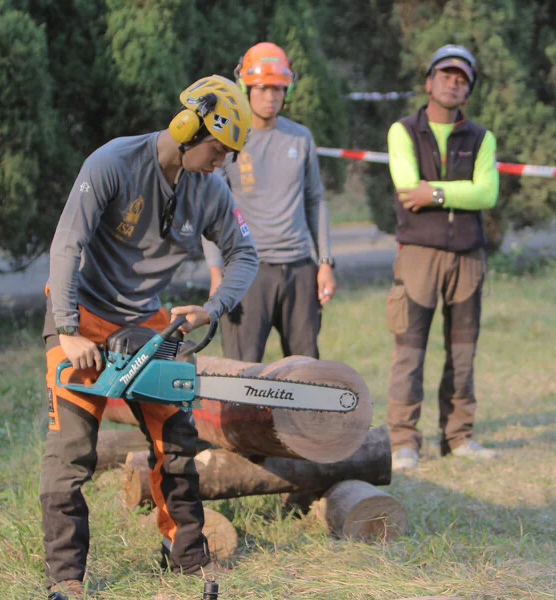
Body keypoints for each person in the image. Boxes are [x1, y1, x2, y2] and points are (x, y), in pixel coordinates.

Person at [41, 75, 257, 599]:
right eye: (217, 150)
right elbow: (67, 245)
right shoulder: (112, 164)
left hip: (148, 325)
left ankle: (185, 559)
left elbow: (243, 255)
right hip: (83, 317)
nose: (221, 163)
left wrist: (212, 308)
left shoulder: (209, 188)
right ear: (188, 129)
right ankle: (67, 578)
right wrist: (68, 330)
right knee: (70, 456)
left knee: (176, 446)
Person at [384, 44, 500, 471]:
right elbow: (405, 187)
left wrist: (434, 192)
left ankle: (458, 437)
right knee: (409, 350)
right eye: (446, 74)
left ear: (468, 90)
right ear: (428, 82)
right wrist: (454, 192)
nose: (453, 82)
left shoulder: (482, 137)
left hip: (468, 256)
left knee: (463, 353)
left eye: (462, 77)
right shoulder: (403, 131)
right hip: (418, 254)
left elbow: (487, 193)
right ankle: (402, 441)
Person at [203, 42, 335, 362]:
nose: (270, 97)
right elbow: (211, 211)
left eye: (278, 89)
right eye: (261, 88)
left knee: (305, 371)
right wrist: (216, 274)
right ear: (245, 87)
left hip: (300, 269)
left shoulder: (301, 137)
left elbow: (315, 199)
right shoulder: (229, 140)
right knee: (240, 370)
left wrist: (325, 263)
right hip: (247, 270)